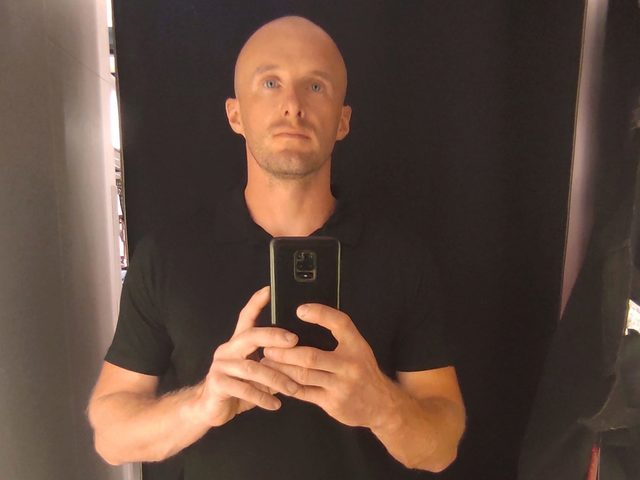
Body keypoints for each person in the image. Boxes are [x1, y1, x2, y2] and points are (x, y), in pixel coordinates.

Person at [88, 15, 466, 479]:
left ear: (342, 121)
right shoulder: (167, 257)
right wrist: (203, 403)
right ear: (235, 115)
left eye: (316, 86)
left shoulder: (401, 260)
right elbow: (111, 437)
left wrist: (381, 407)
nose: (293, 106)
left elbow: (441, 447)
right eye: (270, 83)